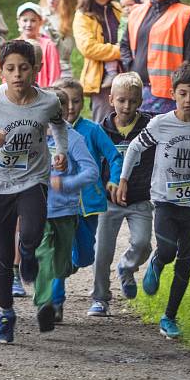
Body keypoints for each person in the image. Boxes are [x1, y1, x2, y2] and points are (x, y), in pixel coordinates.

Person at [0, 40, 68, 344]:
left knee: (32, 231)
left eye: (24, 67)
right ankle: (6, 314)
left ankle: (30, 254)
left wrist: (61, 151)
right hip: (0, 185)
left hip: (34, 179)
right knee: (3, 254)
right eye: (10, 69)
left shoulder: (48, 102)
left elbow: (59, 126)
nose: (18, 74)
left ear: (35, 69)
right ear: (2, 73)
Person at [117, 63, 190, 339]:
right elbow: (134, 147)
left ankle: (169, 316)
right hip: (165, 199)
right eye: (182, 94)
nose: (188, 100)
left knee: (186, 261)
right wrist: (123, 178)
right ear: (173, 94)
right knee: (167, 251)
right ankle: (156, 262)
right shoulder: (160, 123)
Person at [33, 86, 98, 330]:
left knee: (68, 262)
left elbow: (91, 172)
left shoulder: (73, 138)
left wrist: (66, 184)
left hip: (67, 212)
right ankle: (45, 304)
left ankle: (64, 271)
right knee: (44, 255)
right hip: (39, 209)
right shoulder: (33, 135)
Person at [52, 78, 122, 302]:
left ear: (84, 103)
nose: (70, 107)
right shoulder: (46, 132)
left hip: (88, 206)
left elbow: (114, 156)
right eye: (64, 102)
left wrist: (115, 179)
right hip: (59, 205)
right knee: (57, 251)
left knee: (84, 256)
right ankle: (55, 301)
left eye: (75, 101)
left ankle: (68, 265)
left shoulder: (92, 130)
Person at [91, 72, 154, 314]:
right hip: (109, 202)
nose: (126, 106)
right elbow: (94, 162)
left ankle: (127, 267)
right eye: (121, 100)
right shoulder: (101, 131)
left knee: (142, 244)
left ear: (140, 101)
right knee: (102, 252)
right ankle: (100, 298)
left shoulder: (150, 127)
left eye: (132, 101)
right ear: (111, 100)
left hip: (139, 199)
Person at [120, 0, 190, 115]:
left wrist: (182, 89)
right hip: (136, 88)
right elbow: (124, 44)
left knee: (162, 135)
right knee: (137, 135)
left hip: (167, 93)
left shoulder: (183, 14)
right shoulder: (137, 11)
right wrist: (129, 66)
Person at [73, 0, 121, 123]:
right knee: (104, 124)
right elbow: (89, 48)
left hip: (125, 73)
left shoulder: (118, 9)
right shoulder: (82, 16)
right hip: (101, 81)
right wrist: (120, 51)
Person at [40, 0, 77, 79]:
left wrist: (49, 28)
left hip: (60, 70)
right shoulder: (39, 12)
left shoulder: (71, 19)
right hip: (39, 67)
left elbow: (65, 54)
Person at [17, 2, 61, 88]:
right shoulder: (13, 46)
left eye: (33, 20)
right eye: (25, 20)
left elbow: (54, 74)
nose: (28, 24)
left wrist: (51, 94)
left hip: (43, 94)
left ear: (40, 22)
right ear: (18, 22)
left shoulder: (48, 46)